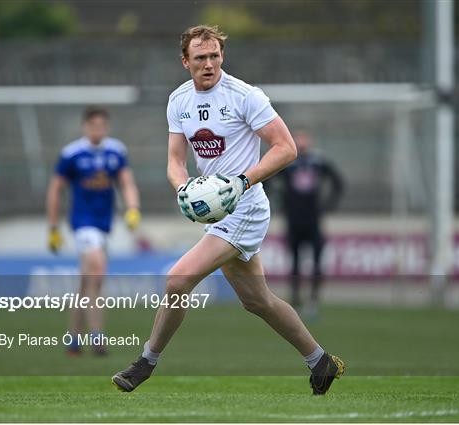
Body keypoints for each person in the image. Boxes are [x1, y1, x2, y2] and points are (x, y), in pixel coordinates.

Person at [112, 25, 344, 395]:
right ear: (185, 61)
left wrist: (241, 182)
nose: (209, 64)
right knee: (258, 301)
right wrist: (182, 188)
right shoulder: (179, 101)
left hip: (246, 209)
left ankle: (145, 363)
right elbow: (175, 161)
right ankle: (320, 361)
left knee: (177, 280)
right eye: (200, 58)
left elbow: (285, 148)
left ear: (222, 56)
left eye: (214, 56)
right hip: (221, 214)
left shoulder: (245, 96)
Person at [46, 106, 141, 356]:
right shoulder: (72, 154)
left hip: (103, 224)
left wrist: (132, 208)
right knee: (98, 269)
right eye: (93, 126)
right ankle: (97, 336)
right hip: (82, 223)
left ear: (106, 127)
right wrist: (53, 227)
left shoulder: (116, 150)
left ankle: (73, 339)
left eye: (101, 126)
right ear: (85, 127)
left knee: (86, 282)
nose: (97, 130)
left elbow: (126, 181)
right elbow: (56, 189)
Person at [279, 130, 344, 318]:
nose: (301, 143)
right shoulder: (288, 162)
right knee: (295, 262)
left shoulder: (318, 162)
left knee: (316, 261)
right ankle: (296, 300)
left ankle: (313, 300)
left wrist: (328, 205)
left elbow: (338, 182)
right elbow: (269, 181)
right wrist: (279, 202)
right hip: (293, 220)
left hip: (314, 220)